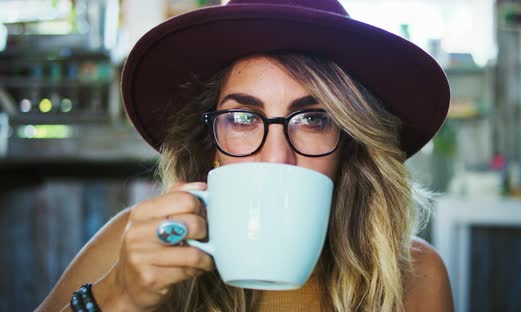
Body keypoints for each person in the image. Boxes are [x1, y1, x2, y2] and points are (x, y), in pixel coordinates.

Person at [37, 0, 453, 311]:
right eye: (241, 118)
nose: (275, 157)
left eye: (311, 119)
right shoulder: (137, 244)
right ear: (209, 144)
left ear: (350, 143)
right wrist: (116, 294)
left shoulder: (415, 276)